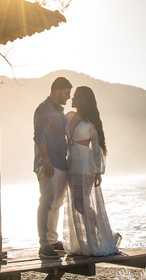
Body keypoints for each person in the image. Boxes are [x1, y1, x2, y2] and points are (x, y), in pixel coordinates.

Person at [63, 86, 119, 257]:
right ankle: (92, 238)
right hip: (71, 164)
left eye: (76, 96)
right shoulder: (68, 116)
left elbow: (97, 147)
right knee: (77, 203)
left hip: (85, 166)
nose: (72, 98)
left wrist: (97, 171)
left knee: (81, 203)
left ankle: (101, 236)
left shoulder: (91, 123)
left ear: (83, 100)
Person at [34, 76, 72, 258]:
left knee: (57, 203)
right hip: (48, 163)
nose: (68, 97)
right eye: (66, 93)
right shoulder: (44, 109)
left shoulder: (59, 112)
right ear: (57, 91)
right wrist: (46, 160)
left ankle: (52, 240)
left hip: (61, 163)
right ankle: (44, 245)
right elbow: (39, 137)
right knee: (47, 202)